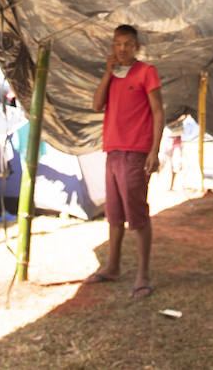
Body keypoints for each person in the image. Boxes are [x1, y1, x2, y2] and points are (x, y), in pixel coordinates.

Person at [87, 23, 163, 298]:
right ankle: (113, 267)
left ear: (136, 47)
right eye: (118, 44)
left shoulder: (146, 72)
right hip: (113, 152)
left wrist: (154, 151)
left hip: (136, 152)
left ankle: (143, 276)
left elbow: (158, 111)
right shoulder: (113, 75)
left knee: (137, 216)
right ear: (112, 46)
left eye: (128, 44)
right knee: (114, 215)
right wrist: (108, 74)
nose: (122, 49)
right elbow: (96, 105)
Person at [161, 114, 186, 191]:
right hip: (168, 137)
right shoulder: (168, 112)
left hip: (177, 138)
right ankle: (158, 180)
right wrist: (178, 120)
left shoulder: (181, 112)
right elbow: (165, 123)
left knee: (176, 163)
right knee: (163, 161)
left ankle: (172, 185)